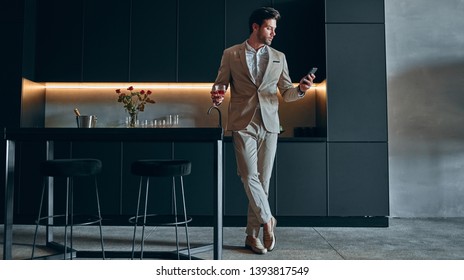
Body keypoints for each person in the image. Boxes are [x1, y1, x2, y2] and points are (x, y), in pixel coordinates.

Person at [211, 7, 315, 254]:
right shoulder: (231, 54)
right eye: (269, 27)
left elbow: (286, 93)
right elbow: (220, 82)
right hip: (242, 123)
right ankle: (268, 220)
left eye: (275, 29)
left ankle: (251, 235)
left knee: (263, 183)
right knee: (249, 177)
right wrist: (216, 94)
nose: (273, 33)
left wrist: (301, 89)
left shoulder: (279, 56)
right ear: (255, 27)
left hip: (270, 125)